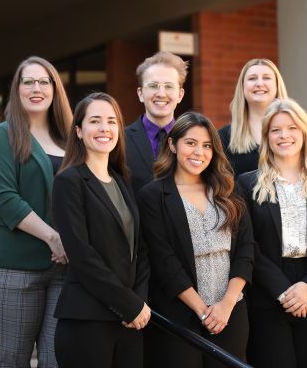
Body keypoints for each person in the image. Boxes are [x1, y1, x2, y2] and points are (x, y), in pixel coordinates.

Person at [0, 56, 72, 367]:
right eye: (28, 82)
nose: (36, 88)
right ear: (17, 90)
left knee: (58, 359)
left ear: (55, 89)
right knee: (13, 359)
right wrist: (54, 238)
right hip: (9, 270)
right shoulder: (3, 136)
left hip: (63, 270)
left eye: (44, 81)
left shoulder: (70, 137)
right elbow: (5, 200)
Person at [237, 98, 307, 368]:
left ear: (304, 133)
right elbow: (247, 243)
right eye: (276, 130)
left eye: (292, 128)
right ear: (266, 137)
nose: (284, 135)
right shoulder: (247, 183)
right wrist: (284, 291)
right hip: (267, 294)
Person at [137, 112, 255, 368]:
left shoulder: (229, 190)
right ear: (172, 144)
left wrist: (226, 305)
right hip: (180, 315)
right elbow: (163, 260)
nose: (198, 152)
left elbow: (246, 250)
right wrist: (202, 310)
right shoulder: (152, 196)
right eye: (190, 143)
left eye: (206, 145)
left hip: (230, 313)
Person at [51, 92, 151, 368]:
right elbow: (82, 255)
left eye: (111, 121)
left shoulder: (122, 180)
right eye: (95, 121)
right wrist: (128, 305)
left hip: (130, 322)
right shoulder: (69, 181)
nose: (104, 128)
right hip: (87, 319)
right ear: (79, 131)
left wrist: (139, 302)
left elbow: (140, 249)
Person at [126, 51, 188, 193]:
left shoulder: (192, 140)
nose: (161, 93)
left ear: (180, 94)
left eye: (169, 86)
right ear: (140, 94)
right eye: (153, 86)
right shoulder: (119, 140)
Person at [219, 58, 289, 177]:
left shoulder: (295, 131)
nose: (259, 83)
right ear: (242, 87)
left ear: (277, 85)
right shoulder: (223, 137)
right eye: (252, 78)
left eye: (266, 78)